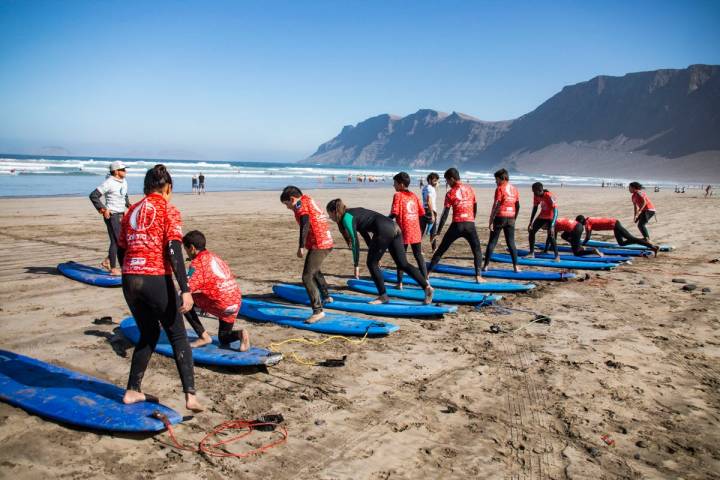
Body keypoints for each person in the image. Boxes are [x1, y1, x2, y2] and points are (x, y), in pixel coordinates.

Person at [117, 164, 202, 412]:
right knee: (177, 334)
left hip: (130, 279)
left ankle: (133, 389)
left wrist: (130, 270)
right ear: (168, 188)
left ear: (146, 187)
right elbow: (174, 250)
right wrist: (185, 289)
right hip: (155, 276)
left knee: (149, 333)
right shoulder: (168, 209)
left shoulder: (131, 210)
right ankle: (191, 396)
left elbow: (122, 248)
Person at [326, 199, 433, 304]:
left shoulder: (346, 218)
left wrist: (356, 265)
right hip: (394, 226)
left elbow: (355, 241)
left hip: (383, 230)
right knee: (402, 263)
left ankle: (383, 296)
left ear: (335, 212)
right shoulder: (355, 212)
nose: (330, 218)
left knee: (371, 264)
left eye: (330, 214)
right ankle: (426, 287)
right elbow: (365, 234)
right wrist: (375, 252)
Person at [180, 230, 249, 349]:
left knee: (183, 300)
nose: (186, 253)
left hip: (220, 303)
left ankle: (203, 337)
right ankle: (241, 334)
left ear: (191, 248)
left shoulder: (198, 264)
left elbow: (186, 289)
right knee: (223, 337)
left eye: (185, 249)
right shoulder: (215, 257)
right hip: (235, 301)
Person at [281, 186, 334, 323]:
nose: (287, 207)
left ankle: (318, 311)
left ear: (292, 199)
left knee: (306, 276)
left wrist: (301, 246)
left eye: (287, 204)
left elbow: (305, 223)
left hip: (319, 243)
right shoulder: (307, 199)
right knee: (315, 270)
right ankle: (327, 297)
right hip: (325, 240)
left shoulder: (300, 205)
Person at [427, 168, 484, 283]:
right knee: (477, 250)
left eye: (447, 181)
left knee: (441, 249)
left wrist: (438, 232)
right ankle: (478, 276)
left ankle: (427, 274)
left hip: (457, 225)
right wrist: (472, 219)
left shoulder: (450, 193)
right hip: (469, 224)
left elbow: (445, 214)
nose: (447, 183)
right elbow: (475, 207)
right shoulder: (470, 189)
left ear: (452, 179)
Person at [89, 161, 130, 275]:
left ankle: (108, 261)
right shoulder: (109, 182)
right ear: (116, 171)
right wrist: (103, 209)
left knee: (120, 240)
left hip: (122, 214)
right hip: (111, 215)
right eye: (123, 169)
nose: (125, 171)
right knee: (117, 241)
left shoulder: (124, 181)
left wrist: (128, 204)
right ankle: (113, 268)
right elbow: (93, 195)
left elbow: (124, 194)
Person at [389, 172, 427, 289]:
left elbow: (394, 213)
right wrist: (420, 228)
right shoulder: (414, 196)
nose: (393, 185)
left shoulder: (398, 195)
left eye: (395, 183)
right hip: (415, 230)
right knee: (418, 255)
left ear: (400, 184)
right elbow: (422, 213)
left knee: (401, 258)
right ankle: (425, 280)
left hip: (403, 231)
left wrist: (384, 221)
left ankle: (399, 283)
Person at [482, 168, 520, 272]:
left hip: (500, 217)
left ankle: (485, 266)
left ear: (502, 178)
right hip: (511, 217)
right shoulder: (514, 189)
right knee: (511, 243)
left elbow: (496, 205)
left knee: (492, 242)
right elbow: (518, 205)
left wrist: (491, 220)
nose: (496, 182)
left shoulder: (499, 189)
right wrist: (514, 218)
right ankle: (516, 266)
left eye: (497, 179)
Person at [579, 215, 659, 256]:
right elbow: (588, 235)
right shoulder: (588, 220)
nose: (579, 225)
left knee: (631, 238)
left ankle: (652, 247)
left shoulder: (587, 223)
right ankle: (643, 240)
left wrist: (582, 244)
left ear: (581, 221)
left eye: (579, 223)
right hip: (614, 225)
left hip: (615, 224)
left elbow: (588, 237)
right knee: (621, 243)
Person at [527, 182, 559, 260]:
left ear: (539, 190)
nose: (533, 192)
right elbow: (535, 208)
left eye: (534, 191)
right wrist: (530, 222)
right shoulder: (536, 195)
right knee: (531, 231)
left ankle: (557, 256)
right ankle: (531, 253)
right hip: (542, 216)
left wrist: (552, 225)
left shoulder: (550, 195)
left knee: (551, 235)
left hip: (551, 218)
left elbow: (556, 211)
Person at [420, 172, 440, 251]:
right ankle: (434, 248)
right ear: (429, 180)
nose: (436, 182)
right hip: (429, 210)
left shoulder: (425, 187)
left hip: (423, 210)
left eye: (437, 181)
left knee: (421, 231)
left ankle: (418, 249)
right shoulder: (430, 188)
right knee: (433, 230)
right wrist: (432, 213)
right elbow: (429, 201)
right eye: (434, 181)